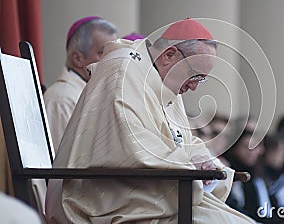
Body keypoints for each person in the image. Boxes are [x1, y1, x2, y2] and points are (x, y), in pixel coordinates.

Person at [45, 18, 254, 223]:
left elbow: (184, 140)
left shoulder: (166, 83)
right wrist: (189, 165)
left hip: (147, 197)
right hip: (103, 202)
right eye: (194, 75)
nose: (194, 87)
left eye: (201, 79)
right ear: (169, 55)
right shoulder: (122, 71)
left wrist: (203, 160)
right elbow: (132, 147)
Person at [44, 16, 118, 151]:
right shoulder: (61, 100)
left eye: (113, 52)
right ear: (78, 58)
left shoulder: (98, 93)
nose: (112, 59)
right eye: (103, 52)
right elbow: (60, 167)